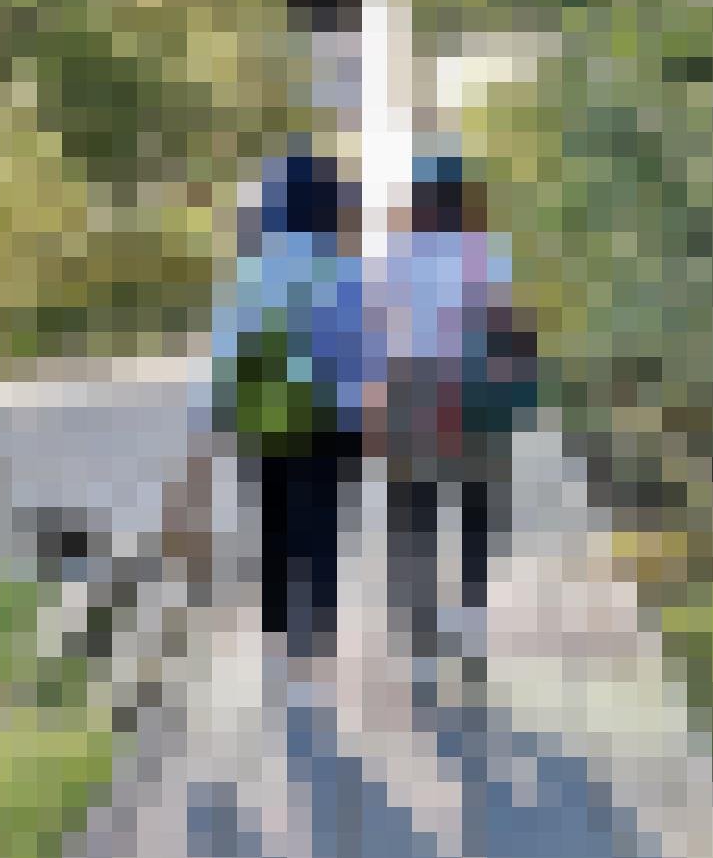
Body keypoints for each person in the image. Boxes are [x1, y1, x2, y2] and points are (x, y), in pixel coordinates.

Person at [207, 146, 374, 658]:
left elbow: (232, 348)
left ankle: (280, 631)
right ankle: (317, 627)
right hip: (330, 420)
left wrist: (220, 413)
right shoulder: (345, 273)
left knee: (276, 521)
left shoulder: (257, 273)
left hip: (269, 421)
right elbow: (358, 350)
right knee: (322, 521)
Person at [379, 149, 537, 659]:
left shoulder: (399, 258)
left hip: (412, 391)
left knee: (413, 505)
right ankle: (470, 614)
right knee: (475, 503)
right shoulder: (488, 255)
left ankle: (415, 617)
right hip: (473, 392)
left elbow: (382, 331)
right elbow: (508, 327)